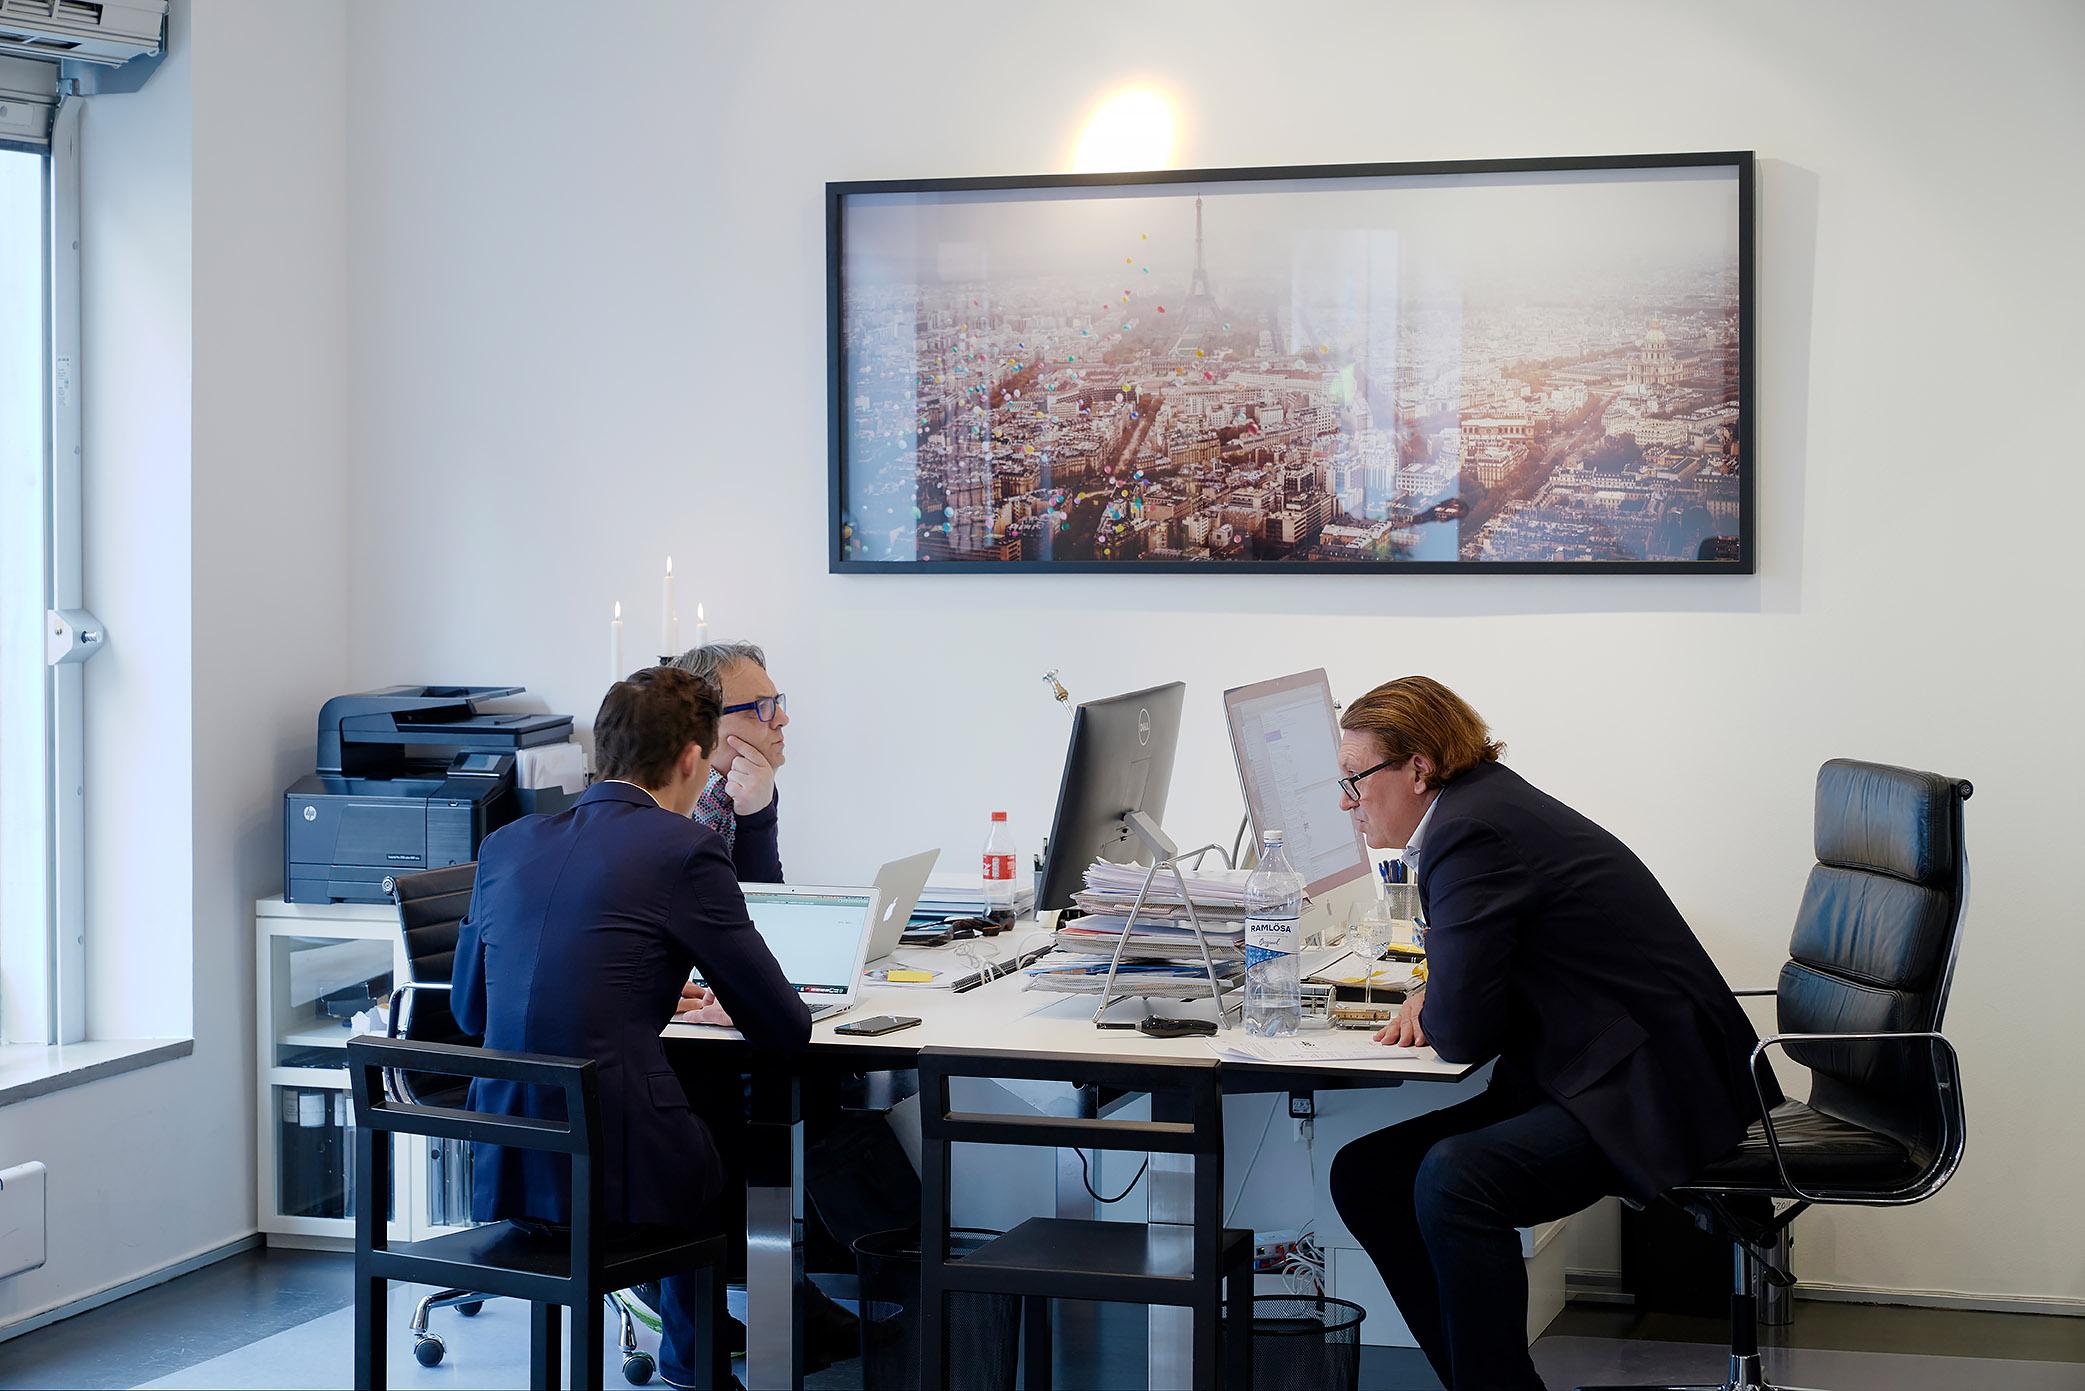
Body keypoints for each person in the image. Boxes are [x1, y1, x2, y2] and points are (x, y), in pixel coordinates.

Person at [1326, 676, 1771, 1391]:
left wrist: (1437, 992)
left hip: (1651, 1086)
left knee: (1455, 1178)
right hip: (1591, 1064)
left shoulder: (1469, 832)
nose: (1346, 802)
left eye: (1356, 779)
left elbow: (1466, 1032)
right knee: (1367, 1173)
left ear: (1417, 767)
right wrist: (1441, 982)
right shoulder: (1480, 804)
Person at [452, 665, 810, 1390]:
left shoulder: (508, 843)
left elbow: (469, 1011)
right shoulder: (681, 849)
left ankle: (695, 1353)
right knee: (703, 1122)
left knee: (670, 1102)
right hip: (619, 1180)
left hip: (504, 1165)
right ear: (689, 758)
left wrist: (644, 989)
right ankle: (698, 1360)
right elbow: (782, 1025)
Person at [670, 641, 788, 882]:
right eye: (761, 707)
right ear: (703, 723)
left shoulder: (754, 784)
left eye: (776, 703)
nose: (782, 719)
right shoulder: (666, 799)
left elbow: (765, 904)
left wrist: (757, 815)